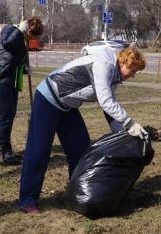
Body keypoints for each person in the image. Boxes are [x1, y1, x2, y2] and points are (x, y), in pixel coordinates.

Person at [19, 46, 147, 214]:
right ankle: (28, 199)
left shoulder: (114, 75)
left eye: (135, 72)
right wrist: (130, 123)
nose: (132, 75)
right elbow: (106, 101)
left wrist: (122, 135)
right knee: (39, 151)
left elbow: (108, 109)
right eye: (132, 69)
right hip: (48, 99)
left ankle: (76, 194)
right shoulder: (104, 65)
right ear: (122, 62)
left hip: (67, 107)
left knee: (80, 150)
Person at [0, 16, 44, 165]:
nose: (31, 39)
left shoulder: (23, 39)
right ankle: (4, 151)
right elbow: (8, 44)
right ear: (28, 29)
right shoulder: (10, 30)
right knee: (5, 117)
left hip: (11, 80)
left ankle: (7, 148)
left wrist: (25, 68)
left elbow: (16, 58)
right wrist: (19, 31)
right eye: (32, 35)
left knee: (10, 116)